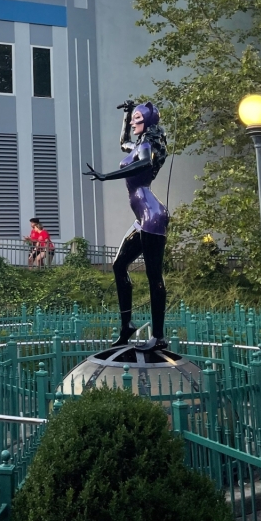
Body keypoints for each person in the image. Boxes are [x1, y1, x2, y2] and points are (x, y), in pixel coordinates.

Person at [85, 100, 169, 350]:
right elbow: (123, 142)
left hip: (152, 216)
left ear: (149, 122)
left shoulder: (146, 147)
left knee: (154, 276)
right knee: (119, 265)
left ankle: (158, 336)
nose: (134, 123)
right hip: (141, 218)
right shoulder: (136, 144)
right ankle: (127, 326)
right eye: (133, 120)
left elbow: (143, 164)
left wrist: (105, 176)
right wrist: (125, 115)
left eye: (137, 119)